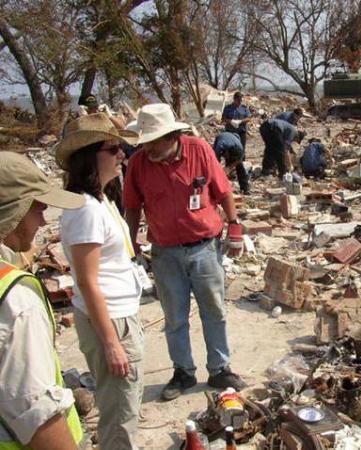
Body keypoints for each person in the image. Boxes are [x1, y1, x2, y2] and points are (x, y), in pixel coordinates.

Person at [123, 104, 246, 401]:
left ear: (172, 135)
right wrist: (131, 243)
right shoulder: (139, 163)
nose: (149, 147)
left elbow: (223, 190)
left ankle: (219, 369)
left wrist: (235, 227)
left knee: (214, 311)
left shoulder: (199, 150)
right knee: (174, 317)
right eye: (146, 141)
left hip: (204, 248)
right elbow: (131, 205)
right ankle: (183, 372)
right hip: (165, 253)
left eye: (155, 140)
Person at [56, 113, 144, 450]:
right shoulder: (85, 210)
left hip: (118, 315)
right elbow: (88, 281)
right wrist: (111, 342)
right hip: (110, 321)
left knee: (126, 406)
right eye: (114, 149)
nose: (122, 154)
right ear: (91, 156)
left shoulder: (100, 200)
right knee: (120, 412)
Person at [0, 152, 85, 450]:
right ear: (14, 211)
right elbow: (36, 413)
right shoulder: (16, 298)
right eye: (36, 205)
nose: (44, 214)